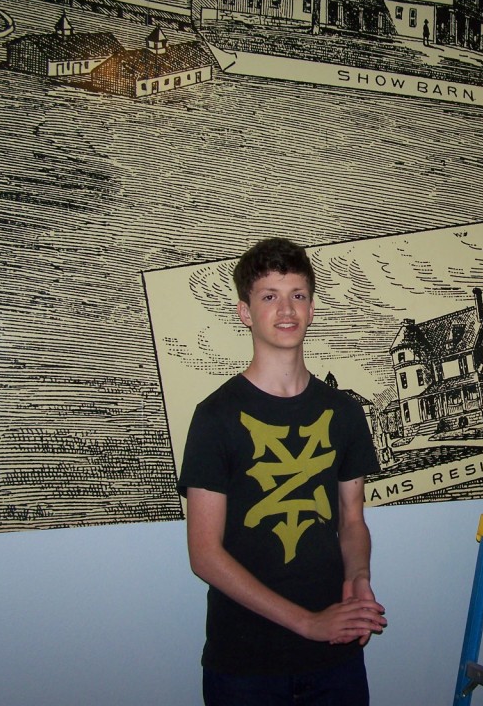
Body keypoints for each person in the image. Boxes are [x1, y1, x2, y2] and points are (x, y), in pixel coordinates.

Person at [178, 237, 386, 706]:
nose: (286, 308)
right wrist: (307, 623)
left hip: (337, 658)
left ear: (312, 308)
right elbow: (204, 555)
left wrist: (358, 578)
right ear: (245, 312)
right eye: (269, 296)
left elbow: (352, 522)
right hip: (246, 665)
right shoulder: (215, 417)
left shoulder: (345, 413)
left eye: (298, 295)